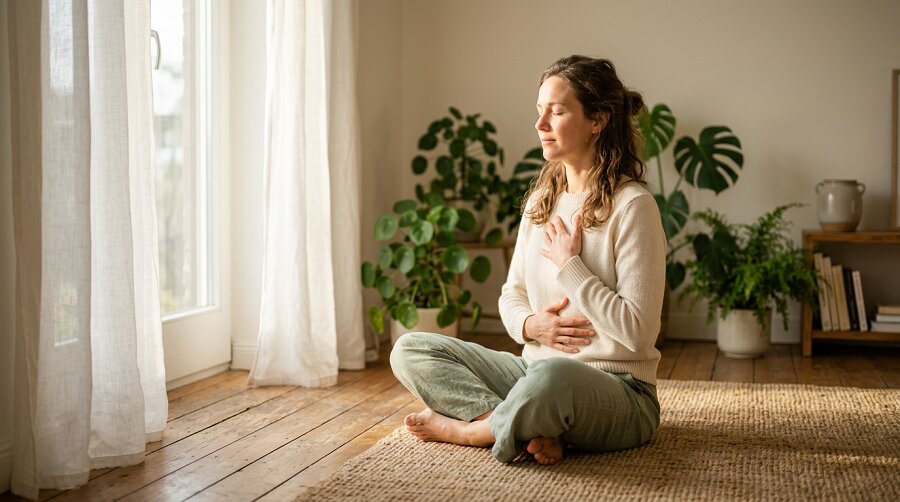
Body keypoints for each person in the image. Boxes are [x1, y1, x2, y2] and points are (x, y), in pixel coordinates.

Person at [389, 55, 666, 465]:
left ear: (598, 120)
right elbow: (511, 294)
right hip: (533, 374)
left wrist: (571, 267)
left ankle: (474, 431)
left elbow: (638, 334)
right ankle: (529, 423)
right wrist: (530, 324)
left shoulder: (633, 207)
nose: (541, 125)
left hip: (620, 389)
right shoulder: (542, 202)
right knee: (410, 348)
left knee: (555, 378)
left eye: (556, 112)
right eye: (540, 112)